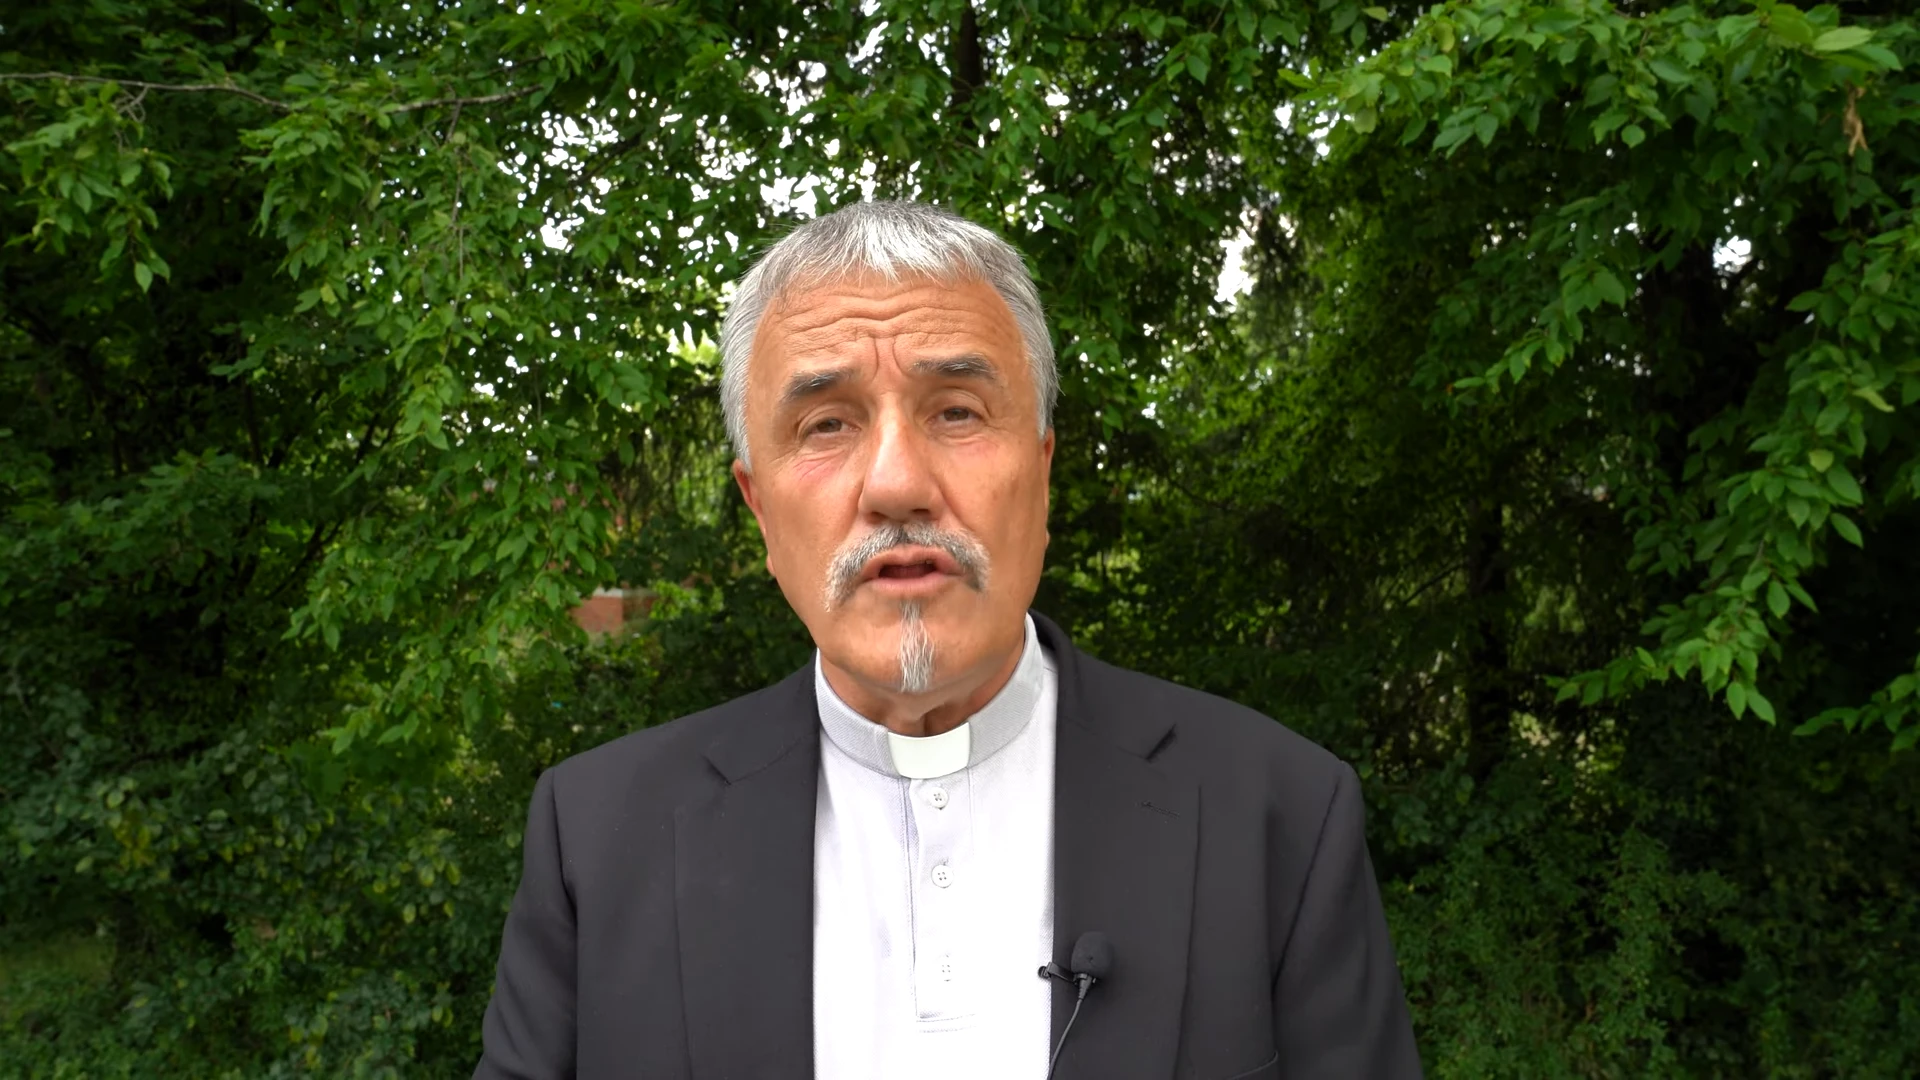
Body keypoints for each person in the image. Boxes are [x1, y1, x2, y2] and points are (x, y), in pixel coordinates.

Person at [472, 201, 1423, 1079]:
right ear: (760, 509)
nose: (897, 484)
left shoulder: (1278, 816)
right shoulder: (597, 840)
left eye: (957, 411)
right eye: (826, 423)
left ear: (1042, 473)